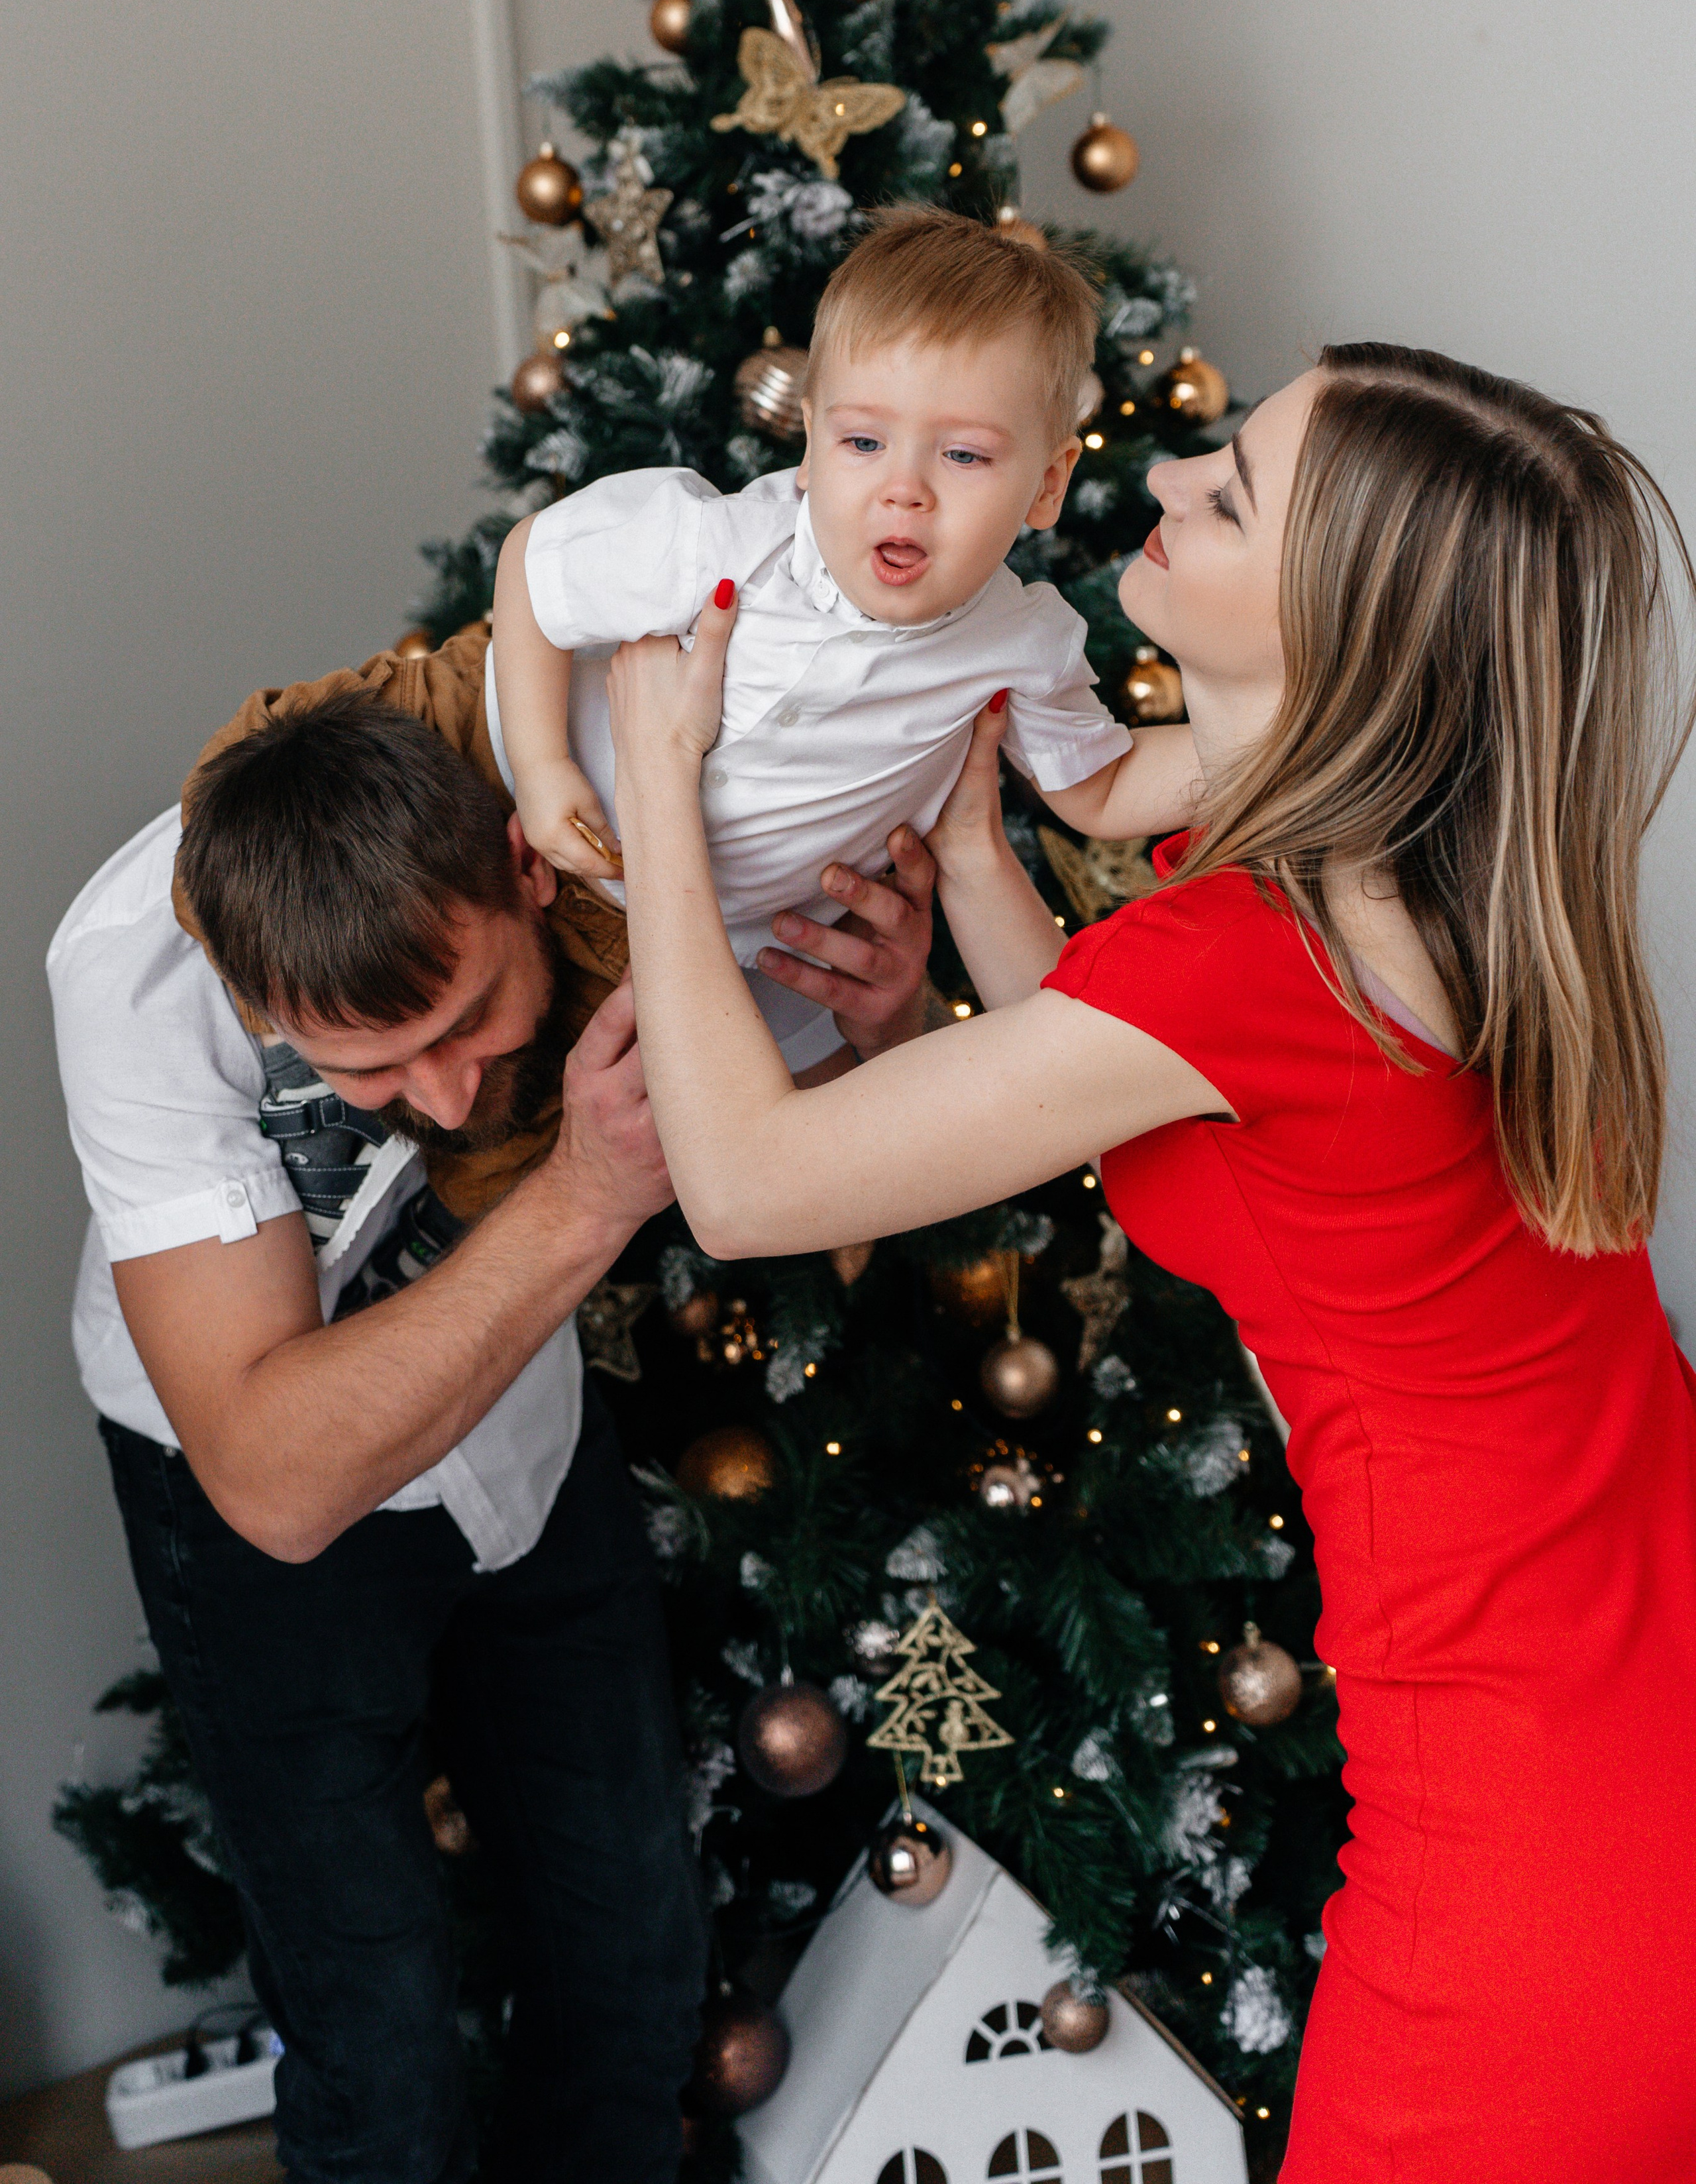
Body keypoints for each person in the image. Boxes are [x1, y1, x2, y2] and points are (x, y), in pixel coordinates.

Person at [602, 345, 1696, 2178]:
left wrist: (655, 790)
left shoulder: (1248, 957)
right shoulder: (1424, 879)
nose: (1167, 481)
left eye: (1231, 490)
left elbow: (741, 1182)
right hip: (1633, 1721)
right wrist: (972, 854)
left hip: (1540, 1845)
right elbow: (1157, 1088)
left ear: (1340, 632)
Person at [46, 630, 936, 2184]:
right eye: (375, 1069)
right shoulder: (133, 968)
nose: (453, 1097)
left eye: (469, 1018)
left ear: (526, 876)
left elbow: (809, 1156)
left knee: (629, 1960)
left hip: (525, 1438)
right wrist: (583, 1199)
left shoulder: (623, 835)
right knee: (375, 2033)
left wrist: (885, 1034)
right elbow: (272, 1476)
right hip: (246, 1482)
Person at [488, 206, 1203, 1073]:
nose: (903, 489)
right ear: (812, 444)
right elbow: (534, 564)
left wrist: (1291, 744)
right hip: (523, 800)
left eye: (965, 457)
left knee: (790, 1111)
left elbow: (1103, 786)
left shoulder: (1020, 640)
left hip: (728, 946)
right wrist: (540, 765)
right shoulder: (732, 546)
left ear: (1047, 486)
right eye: (863, 440)